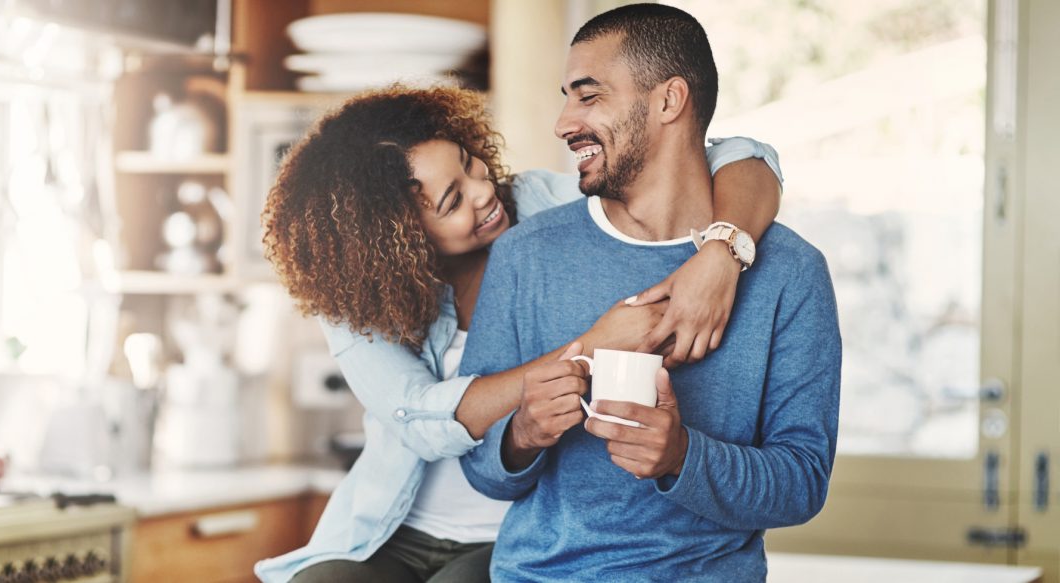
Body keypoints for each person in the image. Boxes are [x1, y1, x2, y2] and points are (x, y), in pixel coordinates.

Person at [253, 83, 784, 583]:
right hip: (389, 531)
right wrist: (590, 348)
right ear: (397, 241)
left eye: (469, 165)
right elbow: (419, 416)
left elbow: (745, 155)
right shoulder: (357, 299)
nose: (484, 192)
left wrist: (722, 251)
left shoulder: (539, 206)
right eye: (451, 202)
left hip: (515, 532)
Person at [458, 5, 842, 581]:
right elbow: (482, 469)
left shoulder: (791, 272)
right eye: (566, 97)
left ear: (669, 100)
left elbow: (802, 484)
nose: (563, 123)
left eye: (588, 97)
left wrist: (682, 456)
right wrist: (522, 434)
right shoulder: (526, 254)